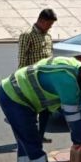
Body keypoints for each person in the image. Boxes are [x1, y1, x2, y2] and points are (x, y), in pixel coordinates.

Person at [17, 8, 58, 143]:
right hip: (31, 79)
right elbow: (22, 59)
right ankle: (31, 136)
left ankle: (40, 135)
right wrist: (21, 80)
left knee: (46, 109)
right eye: (49, 24)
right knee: (32, 110)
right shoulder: (27, 35)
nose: (50, 27)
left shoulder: (48, 36)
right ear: (41, 20)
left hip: (47, 79)